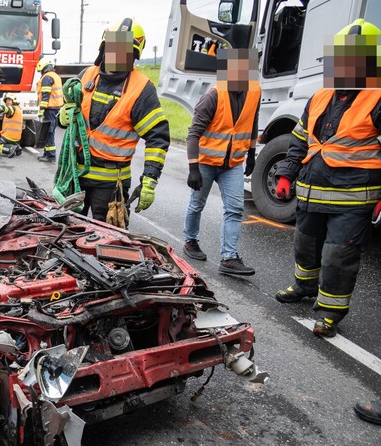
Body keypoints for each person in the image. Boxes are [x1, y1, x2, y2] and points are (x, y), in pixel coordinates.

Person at [274, 19, 381, 338]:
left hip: (352, 200)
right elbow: (299, 139)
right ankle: (304, 287)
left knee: (338, 257)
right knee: (304, 247)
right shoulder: (320, 96)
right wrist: (285, 173)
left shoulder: (376, 98)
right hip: (310, 193)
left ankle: (329, 312)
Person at [61, 18, 170, 222]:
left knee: (108, 243)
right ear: (104, 48)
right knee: (67, 236)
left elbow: (158, 137)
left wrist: (149, 179)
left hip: (111, 186)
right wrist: (63, 116)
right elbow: (69, 112)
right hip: (75, 178)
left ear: (134, 56)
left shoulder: (142, 89)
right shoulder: (86, 76)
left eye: (125, 51)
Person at [183, 48, 260, 276]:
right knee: (197, 204)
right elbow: (193, 134)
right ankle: (190, 241)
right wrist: (193, 168)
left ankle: (229, 258)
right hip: (206, 162)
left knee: (235, 209)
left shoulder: (254, 91)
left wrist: (252, 153)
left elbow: (253, 122)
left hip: (233, 163)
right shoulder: (213, 96)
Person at [35, 58, 64, 163]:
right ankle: (47, 154)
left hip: (50, 108)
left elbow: (45, 96)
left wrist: (41, 109)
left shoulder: (47, 77)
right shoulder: (55, 76)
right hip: (55, 107)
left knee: (49, 131)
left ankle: (50, 155)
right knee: (49, 131)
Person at [0, 93, 24, 158]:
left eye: (9, 100)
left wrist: (1, 108)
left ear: (13, 101)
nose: (8, 102)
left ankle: (10, 149)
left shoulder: (13, 109)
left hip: (8, 136)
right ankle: (17, 148)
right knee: (9, 143)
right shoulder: (18, 109)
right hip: (17, 137)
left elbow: (8, 109)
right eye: (7, 100)